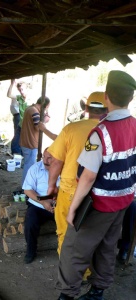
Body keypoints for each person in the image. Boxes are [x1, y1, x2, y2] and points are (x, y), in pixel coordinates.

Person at [56, 70, 136, 300]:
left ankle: (67, 295)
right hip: (123, 200)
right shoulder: (135, 125)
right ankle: (98, 291)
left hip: (99, 204)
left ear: (107, 97)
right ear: (130, 99)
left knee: (73, 249)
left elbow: (88, 177)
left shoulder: (100, 133)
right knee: (108, 245)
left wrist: (73, 209)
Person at [47, 92, 108, 257]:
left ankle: (67, 275)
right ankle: (86, 273)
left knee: (65, 234)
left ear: (87, 108)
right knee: (90, 237)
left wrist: (51, 186)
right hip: (98, 194)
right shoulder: (109, 131)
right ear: (107, 109)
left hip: (70, 191)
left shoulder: (71, 129)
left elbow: (56, 161)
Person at [22, 148, 58, 264]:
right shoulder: (35, 168)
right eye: (44, 157)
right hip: (39, 204)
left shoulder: (65, 169)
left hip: (60, 204)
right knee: (30, 221)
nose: (45, 161)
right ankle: (31, 251)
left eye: (49, 158)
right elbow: (27, 190)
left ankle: (67, 254)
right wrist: (43, 202)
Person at [19, 96, 50, 185]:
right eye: (47, 107)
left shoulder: (30, 108)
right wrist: (45, 120)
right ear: (46, 106)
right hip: (30, 143)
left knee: (27, 164)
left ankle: (26, 186)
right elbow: (38, 128)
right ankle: (26, 187)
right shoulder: (34, 111)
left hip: (26, 142)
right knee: (30, 167)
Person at [7, 79, 28, 155]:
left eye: (22, 89)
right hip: (21, 123)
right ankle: (16, 157)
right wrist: (12, 84)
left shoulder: (30, 99)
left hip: (27, 125)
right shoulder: (19, 97)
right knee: (16, 141)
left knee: (25, 142)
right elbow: (9, 95)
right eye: (19, 90)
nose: (21, 91)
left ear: (26, 88)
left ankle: (21, 156)